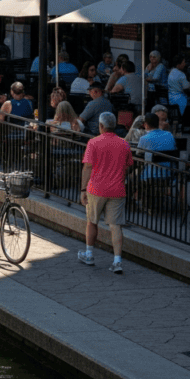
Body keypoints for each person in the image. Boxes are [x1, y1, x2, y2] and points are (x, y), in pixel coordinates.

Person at [79, 111, 133, 274]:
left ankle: (89, 254)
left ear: (101, 126)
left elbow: (87, 167)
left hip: (96, 189)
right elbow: (128, 166)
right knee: (116, 225)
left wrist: (83, 189)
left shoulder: (93, 143)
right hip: (117, 189)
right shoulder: (124, 144)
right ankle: (117, 261)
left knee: (92, 221)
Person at [135, 112, 178, 210]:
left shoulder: (144, 138)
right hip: (169, 174)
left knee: (134, 175)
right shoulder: (169, 135)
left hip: (151, 176)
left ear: (145, 125)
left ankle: (137, 200)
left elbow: (138, 154)